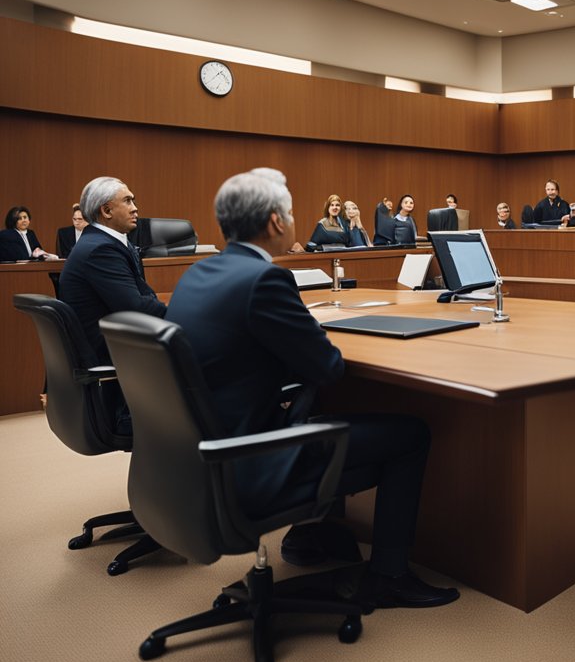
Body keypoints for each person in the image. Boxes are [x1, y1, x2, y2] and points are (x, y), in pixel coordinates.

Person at [165, 168, 458, 609]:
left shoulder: (196, 273)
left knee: (315, 401)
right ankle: (390, 574)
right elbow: (327, 366)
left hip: (196, 455)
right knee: (411, 434)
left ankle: (311, 535)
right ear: (276, 223)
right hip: (251, 460)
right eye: (290, 212)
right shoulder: (266, 280)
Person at [59, 177, 168, 432]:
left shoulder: (108, 243)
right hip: (120, 369)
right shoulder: (100, 249)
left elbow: (143, 296)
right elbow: (136, 308)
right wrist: (188, 312)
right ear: (106, 211)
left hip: (124, 354)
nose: (135, 208)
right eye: (127, 200)